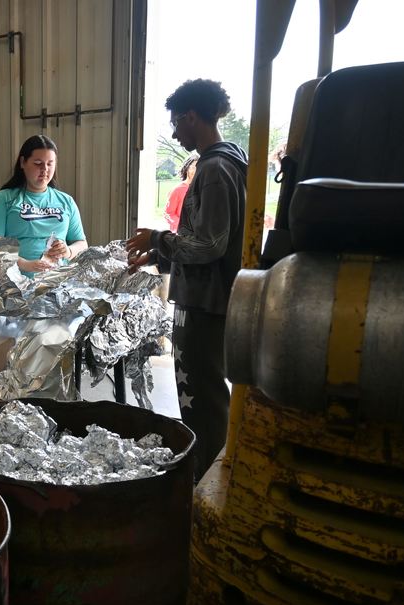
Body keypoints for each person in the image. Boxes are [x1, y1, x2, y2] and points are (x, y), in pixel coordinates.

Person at [126, 79, 247, 482]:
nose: (175, 133)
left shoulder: (214, 168)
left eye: (177, 123)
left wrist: (158, 237)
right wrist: (158, 255)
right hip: (205, 299)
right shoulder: (227, 163)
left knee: (203, 398)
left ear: (192, 116)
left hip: (206, 305)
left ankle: (207, 478)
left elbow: (209, 244)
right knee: (202, 393)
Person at [0, 135, 88, 273]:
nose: (45, 169)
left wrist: (68, 251)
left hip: (58, 284)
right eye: (38, 163)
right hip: (15, 284)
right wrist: (25, 264)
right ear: (22, 162)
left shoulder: (66, 201)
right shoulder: (2, 199)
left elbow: (81, 243)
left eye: (50, 163)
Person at [163, 155, 198, 232]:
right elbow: (168, 213)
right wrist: (183, 226)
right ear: (186, 169)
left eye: (198, 168)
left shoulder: (201, 189)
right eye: (192, 167)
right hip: (181, 235)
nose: (195, 171)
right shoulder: (178, 189)